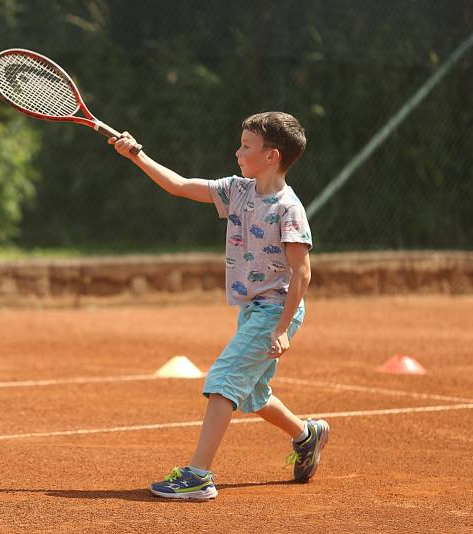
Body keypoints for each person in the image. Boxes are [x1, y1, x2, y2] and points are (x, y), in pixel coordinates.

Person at [109, 111, 329, 500]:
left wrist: (280, 329)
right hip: (252, 310)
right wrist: (137, 156)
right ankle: (306, 434)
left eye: (247, 146)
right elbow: (178, 185)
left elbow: (303, 273)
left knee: (224, 379)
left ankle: (197, 475)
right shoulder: (238, 190)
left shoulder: (288, 208)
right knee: (253, 394)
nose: (238, 151)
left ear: (272, 156)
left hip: (275, 309)